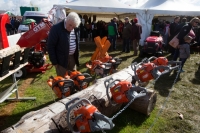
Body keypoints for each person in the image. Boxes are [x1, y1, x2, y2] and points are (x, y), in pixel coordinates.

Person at [47, 12, 81, 77]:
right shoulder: (56, 28)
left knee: (74, 77)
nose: (71, 28)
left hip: (72, 58)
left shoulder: (76, 29)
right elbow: (50, 46)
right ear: (66, 19)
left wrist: (76, 56)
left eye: (73, 26)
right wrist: (54, 61)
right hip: (61, 60)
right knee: (63, 80)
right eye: (70, 25)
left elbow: (77, 43)